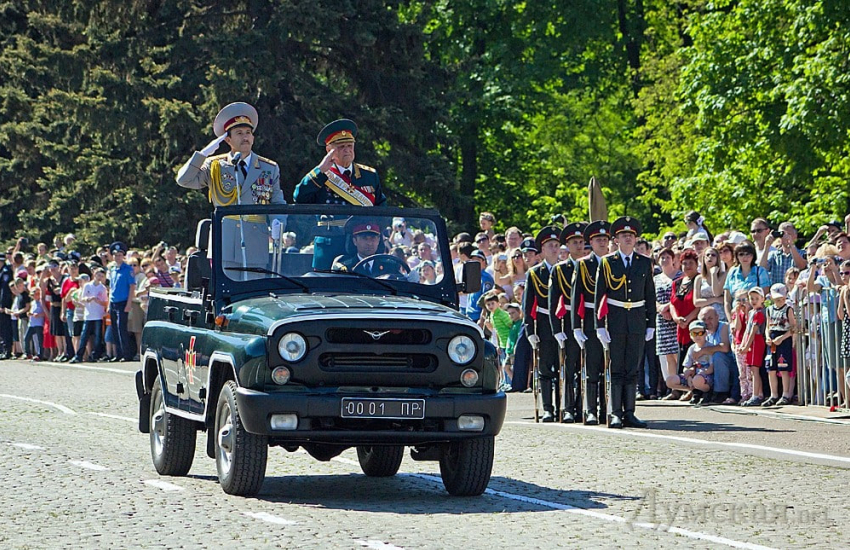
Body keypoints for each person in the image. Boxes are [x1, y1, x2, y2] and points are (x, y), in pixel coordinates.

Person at [595, 217, 655, 428]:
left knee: (632, 368)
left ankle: (629, 412)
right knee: (616, 368)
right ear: (617, 240)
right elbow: (599, 295)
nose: (628, 238)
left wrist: (651, 323)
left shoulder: (644, 262)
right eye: (623, 235)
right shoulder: (607, 262)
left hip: (637, 318)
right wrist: (600, 325)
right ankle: (615, 413)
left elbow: (650, 294)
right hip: (616, 318)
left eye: (631, 235)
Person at [177, 102, 284, 206]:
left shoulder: (269, 168)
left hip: (258, 224)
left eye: (248, 132)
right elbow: (184, 180)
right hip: (225, 224)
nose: (245, 138)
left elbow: (278, 203)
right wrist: (203, 154)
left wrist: (277, 222)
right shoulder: (214, 166)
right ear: (228, 140)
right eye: (239, 133)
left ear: (253, 138)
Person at [571, 220, 611, 425]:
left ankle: (608, 409)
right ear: (591, 243)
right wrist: (576, 326)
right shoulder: (584, 264)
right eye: (598, 240)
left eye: (605, 239)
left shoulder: (614, 261)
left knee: (611, 368)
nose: (602, 243)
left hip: (613, 318)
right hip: (589, 319)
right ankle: (591, 410)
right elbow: (576, 296)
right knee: (593, 367)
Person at [294, 119, 385, 206]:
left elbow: (382, 208)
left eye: (350, 146)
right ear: (329, 150)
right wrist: (320, 169)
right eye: (341, 147)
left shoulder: (370, 175)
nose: (347, 150)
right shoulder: (321, 175)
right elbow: (299, 198)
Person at [548, 222, 588, 422]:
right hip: (567, 321)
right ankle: (568, 407)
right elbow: (553, 299)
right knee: (569, 366)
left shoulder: (592, 265)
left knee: (587, 367)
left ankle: (585, 407)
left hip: (587, 319)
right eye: (575, 242)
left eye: (581, 242)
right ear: (567, 245)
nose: (579, 246)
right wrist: (556, 329)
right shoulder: (560, 269)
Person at [522, 226, 562, 422]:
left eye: (557, 245)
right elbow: (528, 304)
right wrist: (530, 330)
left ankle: (566, 406)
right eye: (550, 246)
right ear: (543, 250)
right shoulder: (535, 273)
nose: (554, 249)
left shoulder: (567, 269)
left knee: (566, 368)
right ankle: (548, 408)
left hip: (564, 324)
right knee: (545, 369)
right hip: (545, 325)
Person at [669, 249, 700, 401]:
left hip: (694, 324)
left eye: (691, 263)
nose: (688, 266)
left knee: (694, 357)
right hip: (680, 326)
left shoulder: (699, 280)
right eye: (685, 263)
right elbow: (672, 302)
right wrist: (676, 318)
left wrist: (688, 319)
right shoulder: (677, 282)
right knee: (682, 357)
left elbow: (698, 304)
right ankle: (684, 387)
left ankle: (693, 389)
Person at [666, 320, 714, 405]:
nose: (697, 336)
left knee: (697, 380)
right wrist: (688, 377)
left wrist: (702, 373)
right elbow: (686, 366)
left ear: (705, 333)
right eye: (694, 334)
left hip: (706, 376)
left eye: (700, 333)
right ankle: (694, 391)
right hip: (694, 377)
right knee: (670, 380)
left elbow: (712, 367)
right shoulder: (691, 348)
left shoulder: (710, 347)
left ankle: (707, 392)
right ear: (690, 336)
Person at [764, 283, 797, 406]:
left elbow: (793, 327)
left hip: (783, 339)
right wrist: (767, 336)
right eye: (777, 299)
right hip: (772, 339)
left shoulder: (788, 309)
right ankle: (774, 394)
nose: (779, 301)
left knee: (783, 368)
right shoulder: (769, 309)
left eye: (782, 299)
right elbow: (768, 326)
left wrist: (782, 338)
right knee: (771, 369)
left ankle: (786, 394)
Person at [654, 248, 681, 397]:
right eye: (662, 257)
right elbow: (652, 297)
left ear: (673, 259)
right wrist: (660, 309)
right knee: (668, 355)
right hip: (662, 319)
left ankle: (683, 386)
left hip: (676, 317)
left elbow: (679, 296)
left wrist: (669, 308)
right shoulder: (656, 279)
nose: (665, 260)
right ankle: (674, 388)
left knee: (677, 354)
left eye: (667, 257)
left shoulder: (679, 276)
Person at [698, 306, 737, 404]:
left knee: (718, 355)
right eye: (704, 319)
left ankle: (721, 392)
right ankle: (700, 392)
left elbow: (724, 348)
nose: (707, 322)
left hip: (731, 365)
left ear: (717, 317)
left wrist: (704, 350)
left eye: (710, 318)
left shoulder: (723, 326)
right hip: (712, 367)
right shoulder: (703, 332)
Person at [70, 268, 108, 363]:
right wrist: (89, 299)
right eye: (98, 275)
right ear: (94, 274)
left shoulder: (102, 288)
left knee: (97, 337)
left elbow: (105, 302)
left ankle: (95, 355)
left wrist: (99, 301)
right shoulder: (87, 286)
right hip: (88, 315)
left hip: (98, 315)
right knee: (84, 336)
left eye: (102, 276)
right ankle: (79, 356)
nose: (99, 277)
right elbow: (82, 299)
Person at [739, 287, 768, 406]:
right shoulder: (751, 312)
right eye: (752, 298)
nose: (754, 301)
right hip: (751, 341)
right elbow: (747, 330)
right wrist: (742, 344)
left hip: (756, 341)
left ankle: (756, 395)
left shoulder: (760, 313)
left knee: (755, 370)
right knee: (752, 370)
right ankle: (758, 393)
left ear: (762, 299)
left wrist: (747, 345)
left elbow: (753, 331)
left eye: (757, 298)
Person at [107, 242, 136, 362]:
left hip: (123, 302)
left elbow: (132, 287)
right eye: (115, 255)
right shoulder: (112, 269)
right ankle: (118, 354)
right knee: (114, 329)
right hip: (114, 302)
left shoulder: (128, 269)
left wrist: (129, 303)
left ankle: (126, 354)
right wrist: (109, 303)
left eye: (119, 255)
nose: (117, 257)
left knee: (121, 328)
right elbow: (111, 288)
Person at [693, 246, 726, 322]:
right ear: (703, 259)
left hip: (720, 317)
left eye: (713, 255)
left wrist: (714, 275)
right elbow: (696, 302)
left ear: (717, 259)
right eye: (707, 255)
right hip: (704, 317)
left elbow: (717, 293)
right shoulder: (699, 278)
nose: (710, 257)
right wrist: (715, 300)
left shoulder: (724, 275)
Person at [0, 253, 13, 359]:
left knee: (5, 328)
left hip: (5, 305)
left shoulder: (5, 272)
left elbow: (5, 291)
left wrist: (2, 305)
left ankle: (7, 350)